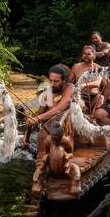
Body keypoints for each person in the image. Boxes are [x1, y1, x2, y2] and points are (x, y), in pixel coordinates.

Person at [25, 65, 74, 194]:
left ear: (63, 80)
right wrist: (30, 124)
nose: (52, 84)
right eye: (50, 81)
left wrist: (38, 118)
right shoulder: (48, 92)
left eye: (56, 81)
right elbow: (39, 113)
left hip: (66, 129)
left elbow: (59, 109)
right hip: (47, 131)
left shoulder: (70, 89)